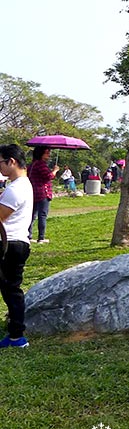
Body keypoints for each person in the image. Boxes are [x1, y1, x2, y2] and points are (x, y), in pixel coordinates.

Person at [0, 144, 33, 348]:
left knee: (11, 290)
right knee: (10, 289)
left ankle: (16, 336)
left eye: (0, 163)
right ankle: (15, 334)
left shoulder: (16, 188)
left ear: (11, 162)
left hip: (9, 244)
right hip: (14, 242)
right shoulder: (20, 185)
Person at [27, 146, 57, 244]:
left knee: (32, 215)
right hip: (43, 193)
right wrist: (55, 170)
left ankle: (29, 235)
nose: (49, 155)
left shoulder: (32, 165)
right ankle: (41, 237)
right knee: (42, 215)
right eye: (47, 153)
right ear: (41, 154)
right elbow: (48, 176)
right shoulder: (41, 165)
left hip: (33, 192)